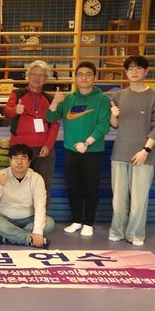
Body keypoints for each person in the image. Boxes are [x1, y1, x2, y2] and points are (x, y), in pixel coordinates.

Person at [46, 61, 111, 237]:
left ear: (94, 77)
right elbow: (50, 117)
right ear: (75, 78)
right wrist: (54, 102)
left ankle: (88, 222)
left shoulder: (102, 99)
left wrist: (86, 143)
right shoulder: (69, 99)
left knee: (91, 188)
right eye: (80, 74)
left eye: (88, 74)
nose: (84, 78)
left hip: (92, 152)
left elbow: (103, 126)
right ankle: (76, 220)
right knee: (73, 187)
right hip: (71, 151)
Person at [109, 55, 155, 245]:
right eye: (130, 68)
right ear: (126, 72)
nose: (134, 71)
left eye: (138, 68)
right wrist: (113, 115)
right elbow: (115, 125)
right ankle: (117, 231)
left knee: (139, 200)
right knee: (118, 199)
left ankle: (135, 234)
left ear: (146, 71)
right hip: (120, 153)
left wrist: (145, 151)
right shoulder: (118, 96)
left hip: (143, 155)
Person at [3, 60, 59, 200]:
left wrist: (48, 146)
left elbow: (55, 124)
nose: (36, 78)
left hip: (43, 151)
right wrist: (15, 110)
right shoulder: (17, 94)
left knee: (43, 187)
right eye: (33, 74)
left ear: (46, 78)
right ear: (28, 76)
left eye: (41, 75)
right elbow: (7, 113)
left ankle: (41, 213)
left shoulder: (50, 99)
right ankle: (18, 213)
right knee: (18, 186)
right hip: (20, 149)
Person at [0, 144, 54, 248]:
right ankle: (28, 239)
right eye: (15, 158)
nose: (19, 162)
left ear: (29, 162)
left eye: (23, 158)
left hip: (29, 219)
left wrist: (37, 231)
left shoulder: (37, 178)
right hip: (5, 219)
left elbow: (40, 206)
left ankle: (8, 237)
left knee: (49, 222)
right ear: (10, 161)